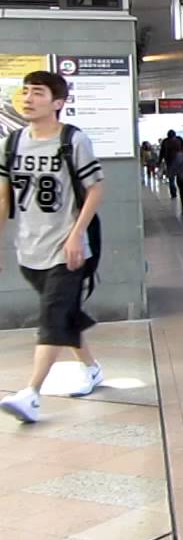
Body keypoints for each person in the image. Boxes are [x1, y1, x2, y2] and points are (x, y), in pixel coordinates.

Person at [0, 71, 106, 423]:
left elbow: (95, 189)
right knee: (64, 316)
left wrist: (76, 234)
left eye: (38, 93)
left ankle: (31, 393)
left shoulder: (73, 140)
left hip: (69, 251)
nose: (28, 98)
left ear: (57, 103)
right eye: (25, 92)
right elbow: (4, 197)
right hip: (29, 251)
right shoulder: (12, 143)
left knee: (52, 316)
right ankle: (91, 369)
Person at [160, 129, 183, 199]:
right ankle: (181, 192)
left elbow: (162, 152)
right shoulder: (179, 140)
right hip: (179, 163)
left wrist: (159, 161)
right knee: (180, 179)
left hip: (170, 163)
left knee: (171, 180)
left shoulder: (165, 142)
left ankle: (173, 194)